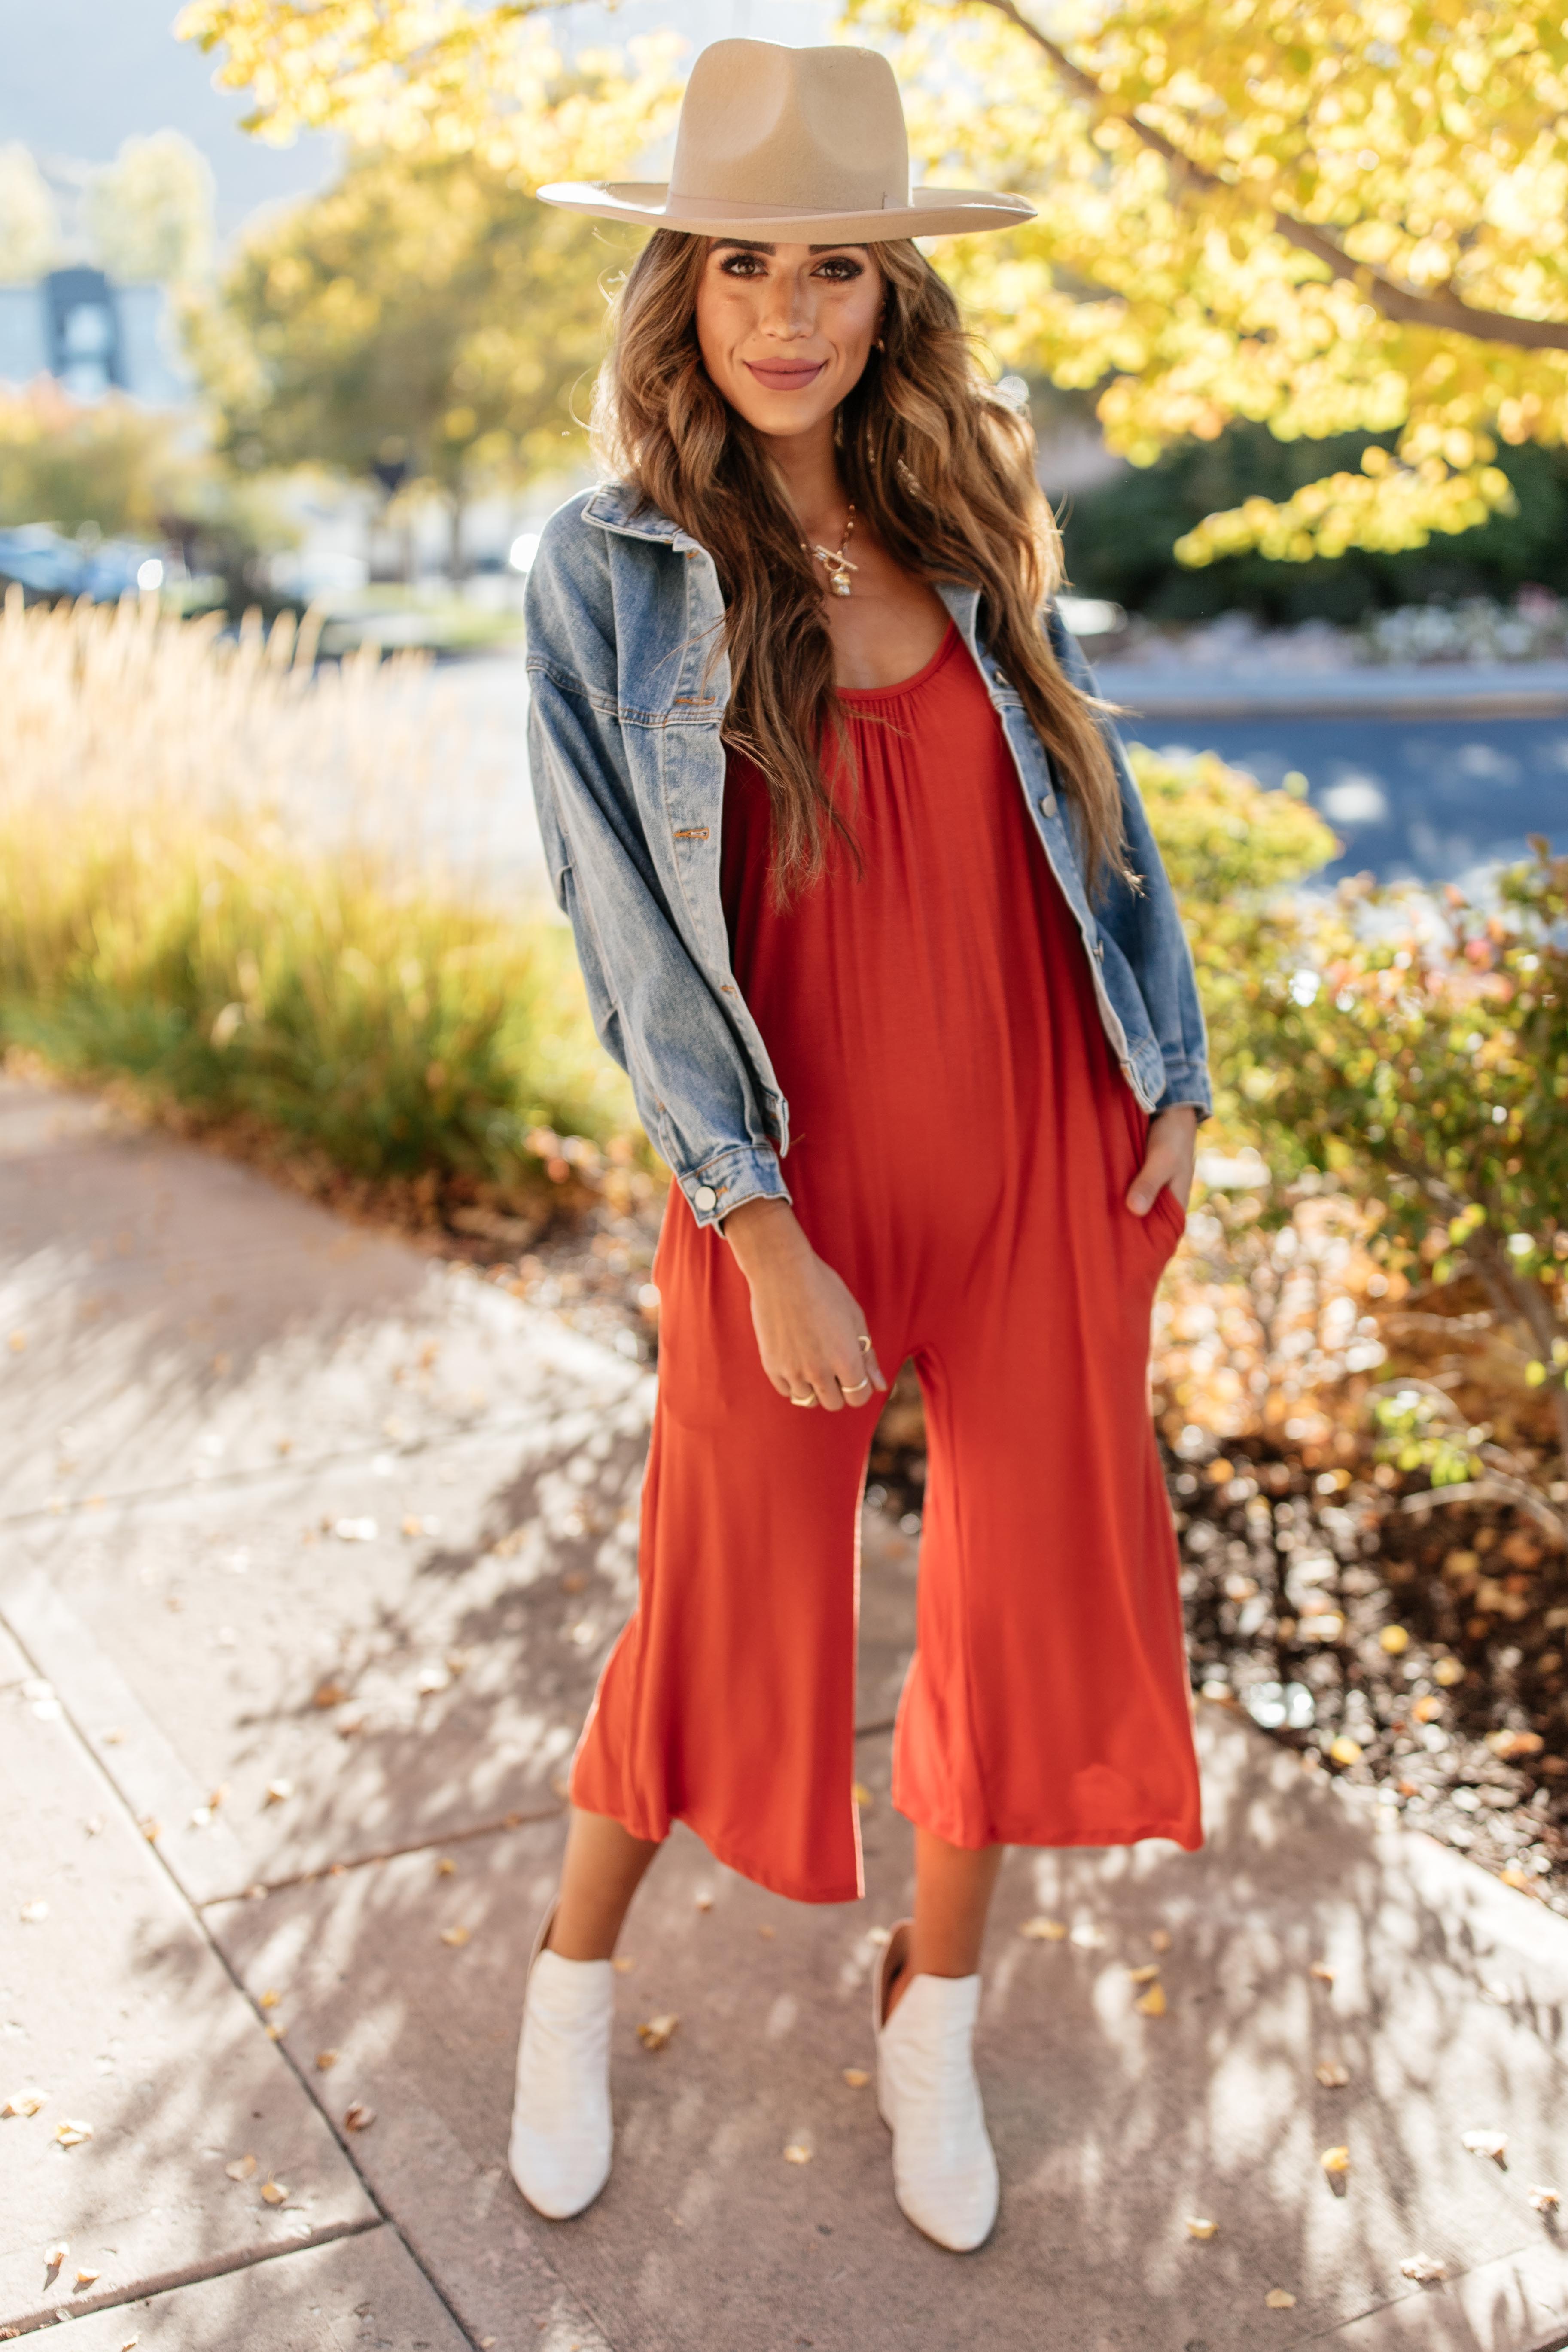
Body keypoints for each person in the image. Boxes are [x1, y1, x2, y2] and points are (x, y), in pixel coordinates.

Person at [511, 37, 1209, 2254]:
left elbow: (1090, 786)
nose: (787, 309)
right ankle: (568, 1981)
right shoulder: (605, 573)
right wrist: (752, 1220)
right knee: (720, 1593)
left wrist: (1166, 1056)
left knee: (1003, 1620)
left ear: (893, 297)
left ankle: (929, 2012)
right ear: (681, 289)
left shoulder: (966, 514)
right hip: (782, 1198)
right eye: (741, 263)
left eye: (835, 265)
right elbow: (622, 922)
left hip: (1039, 1153)